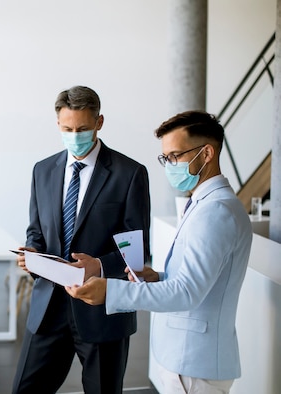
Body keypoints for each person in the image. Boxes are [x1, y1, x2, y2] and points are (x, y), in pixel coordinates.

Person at [67, 110, 253, 394]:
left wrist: (111, 291)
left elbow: (187, 292)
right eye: (166, 158)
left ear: (206, 154)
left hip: (194, 365)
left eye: (176, 156)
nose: (170, 165)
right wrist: (159, 276)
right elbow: (200, 278)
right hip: (189, 361)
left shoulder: (215, 210)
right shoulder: (206, 204)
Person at [12, 85, 151, 394]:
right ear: (58, 124)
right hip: (48, 308)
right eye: (67, 128)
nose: (75, 135)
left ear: (99, 123)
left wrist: (99, 265)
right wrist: (32, 253)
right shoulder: (43, 170)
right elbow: (36, 228)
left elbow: (138, 252)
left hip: (102, 308)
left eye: (83, 128)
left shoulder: (130, 174)